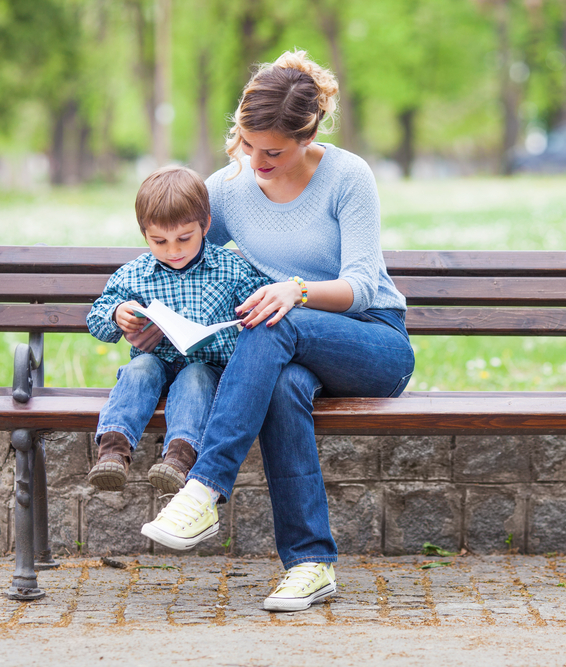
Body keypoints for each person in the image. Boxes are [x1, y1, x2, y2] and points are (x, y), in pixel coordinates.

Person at [133, 50, 416, 613]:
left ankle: (204, 487)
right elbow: (179, 263)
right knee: (283, 384)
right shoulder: (230, 188)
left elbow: (362, 283)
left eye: (273, 152)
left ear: (308, 135)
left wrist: (296, 289)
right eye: (244, 142)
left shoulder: (346, 176)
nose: (254, 159)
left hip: (372, 343)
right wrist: (143, 316)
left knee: (272, 322)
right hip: (288, 349)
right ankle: (311, 565)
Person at [86, 166, 271, 495]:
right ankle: (113, 451)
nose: (173, 251)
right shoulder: (135, 274)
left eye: (184, 238)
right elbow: (96, 315)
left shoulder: (232, 268)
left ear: (206, 225)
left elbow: (261, 307)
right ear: (145, 234)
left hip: (209, 368)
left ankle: (178, 459)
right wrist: (117, 315)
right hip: (157, 362)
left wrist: (250, 315)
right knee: (139, 367)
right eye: (159, 241)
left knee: (196, 375)